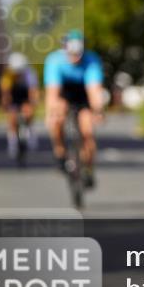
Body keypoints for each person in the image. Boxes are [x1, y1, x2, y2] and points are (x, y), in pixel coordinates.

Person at [44, 30, 104, 188]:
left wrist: (98, 110)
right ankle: (60, 153)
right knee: (57, 117)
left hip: (83, 94)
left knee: (88, 131)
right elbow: (52, 93)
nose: (75, 58)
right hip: (64, 93)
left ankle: (88, 168)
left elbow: (94, 91)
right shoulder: (55, 61)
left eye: (78, 54)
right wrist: (50, 114)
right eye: (71, 53)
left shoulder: (91, 61)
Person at [0, 52, 39, 160]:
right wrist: (6, 105)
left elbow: (33, 91)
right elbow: (6, 93)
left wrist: (32, 104)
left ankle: (30, 130)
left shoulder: (30, 73)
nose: (17, 74)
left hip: (25, 94)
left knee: (28, 111)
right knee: (12, 117)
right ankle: (12, 142)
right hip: (14, 94)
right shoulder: (7, 75)